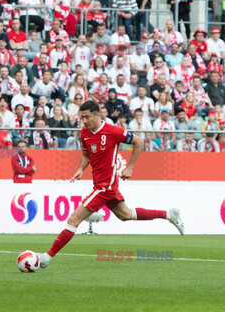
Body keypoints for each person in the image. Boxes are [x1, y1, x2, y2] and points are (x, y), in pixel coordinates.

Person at [34, 101, 184, 269]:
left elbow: (138, 142)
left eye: (87, 117)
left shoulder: (112, 131)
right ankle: (169, 215)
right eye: (81, 117)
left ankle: (47, 257)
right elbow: (85, 154)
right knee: (125, 215)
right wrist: (80, 169)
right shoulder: (84, 132)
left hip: (105, 186)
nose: (84, 121)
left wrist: (129, 166)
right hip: (99, 183)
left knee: (73, 219)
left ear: (97, 115)